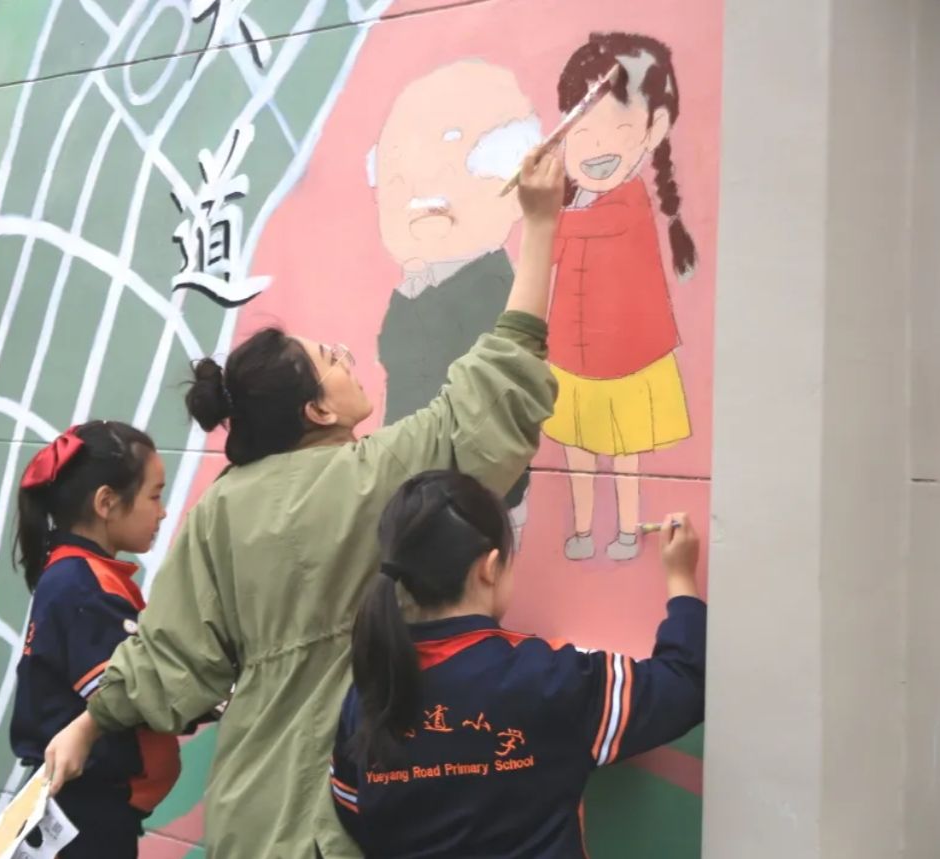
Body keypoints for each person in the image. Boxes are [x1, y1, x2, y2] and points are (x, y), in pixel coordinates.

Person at [42, 147, 567, 858]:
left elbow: (171, 660)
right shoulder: (378, 476)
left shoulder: (219, 511)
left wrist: (89, 722)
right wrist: (540, 224)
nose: (347, 356)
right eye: (332, 358)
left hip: (253, 814)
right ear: (317, 410)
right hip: (364, 807)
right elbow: (494, 395)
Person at [330, 470, 705, 857]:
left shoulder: (371, 691)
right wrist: (681, 579)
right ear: (490, 567)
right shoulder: (549, 678)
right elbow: (685, 684)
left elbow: (352, 807)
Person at [9, 421, 213, 858]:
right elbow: (127, 694)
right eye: (154, 496)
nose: (162, 512)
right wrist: (211, 695)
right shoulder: (82, 585)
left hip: (89, 807)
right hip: (84, 812)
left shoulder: (83, 574)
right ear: (106, 502)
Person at [368, 59, 542, 546]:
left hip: (474, 502)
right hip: (413, 495)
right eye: (395, 168)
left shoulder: (492, 288)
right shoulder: (412, 292)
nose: (412, 188)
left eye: (452, 148)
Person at [544, 32, 698, 562]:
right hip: (570, 358)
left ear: (654, 128)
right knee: (576, 452)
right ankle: (584, 529)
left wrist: (541, 213)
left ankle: (628, 530)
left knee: (625, 454)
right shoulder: (573, 205)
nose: (596, 146)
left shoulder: (627, 203)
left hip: (627, 363)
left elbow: (578, 231)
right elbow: (551, 254)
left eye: (618, 127)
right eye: (581, 130)